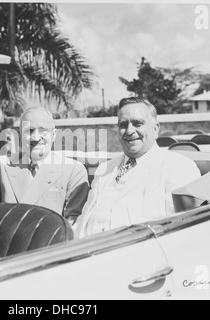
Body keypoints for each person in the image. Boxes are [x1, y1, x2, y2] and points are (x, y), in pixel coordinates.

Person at [75, 97, 201, 237]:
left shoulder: (178, 167)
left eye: (137, 123)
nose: (129, 131)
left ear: (155, 128)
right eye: (123, 125)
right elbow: (83, 220)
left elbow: (184, 230)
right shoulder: (104, 169)